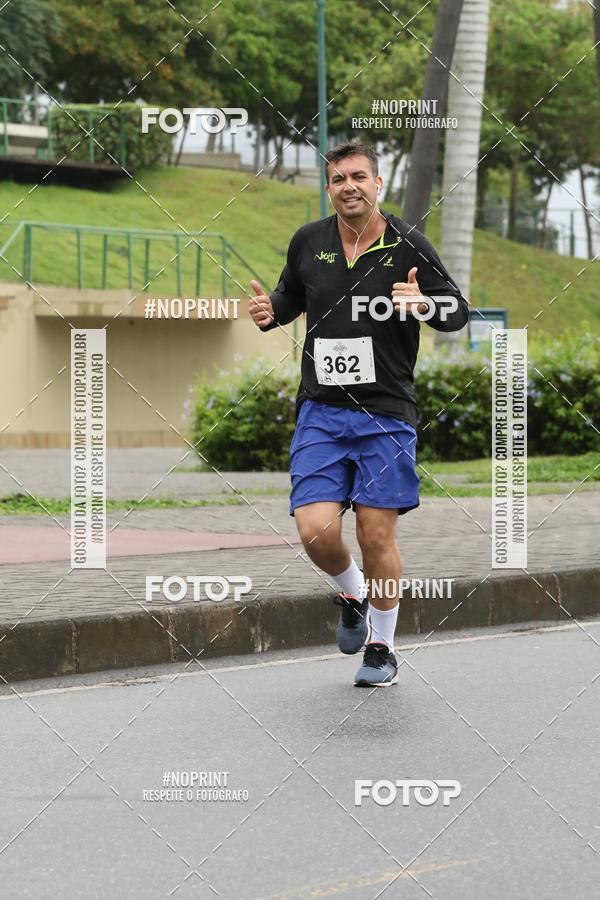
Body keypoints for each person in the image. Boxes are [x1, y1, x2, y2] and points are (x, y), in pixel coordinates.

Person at [249, 141, 468, 686]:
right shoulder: (309, 241)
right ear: (328, 187)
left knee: (375, 535)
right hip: (321, 409)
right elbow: (290, 297)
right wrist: (270, 311)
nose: (348, 186)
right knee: (315, 531)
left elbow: (457, 310)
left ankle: (382, 646)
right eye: (338, 178)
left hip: (385, 412)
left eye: (358, 177)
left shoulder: (408, 244)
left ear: (377, 184)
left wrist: (424, 305)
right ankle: (353, 593)